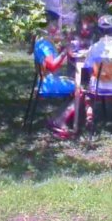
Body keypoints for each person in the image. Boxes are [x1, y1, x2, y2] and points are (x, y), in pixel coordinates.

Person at [82, 15, 112, 133]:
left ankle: (89, 116)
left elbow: (87, 67)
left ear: (99, 30)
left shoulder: (93, 48)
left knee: (87, 93)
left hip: (98, 86)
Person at [34, 10, 80, 138]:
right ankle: (60, 120)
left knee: (74, 84)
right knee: (80, 90)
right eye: (55, 24)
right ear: (47, 24)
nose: (57, 27)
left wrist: (61, 49)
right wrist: (65, 51)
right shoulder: (45, 44)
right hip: (48, 83)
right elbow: (53, 65)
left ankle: (56, 115)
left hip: (46, 80)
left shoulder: (42, 41)